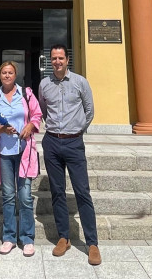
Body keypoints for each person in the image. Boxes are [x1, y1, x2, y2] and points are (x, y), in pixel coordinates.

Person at [37, 45, 100, 266]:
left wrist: (77, 130)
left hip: (74, 143)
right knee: (57, 192)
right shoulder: (44, 84)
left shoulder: (80, 82)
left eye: (60, 58)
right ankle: (64, 237)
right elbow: (43, 110)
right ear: (50, 61)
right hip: (52, 142)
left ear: (67, 59)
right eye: (53, 58)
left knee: (82, 192)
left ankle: (92, 243)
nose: (57, 62)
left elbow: (89, 109)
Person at [0, 60, 42, 257]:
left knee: (24, 196)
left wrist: (29, 127)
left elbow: (37, 114)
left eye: (10, 73)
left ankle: (27, 238)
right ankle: (8, 237)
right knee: (7, 196)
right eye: (4, 73)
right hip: (4, 154)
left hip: (24, 151)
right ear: (0, 76)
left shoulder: (26, 94)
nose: (7, 75)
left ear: (15, 76)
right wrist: (1, 129)